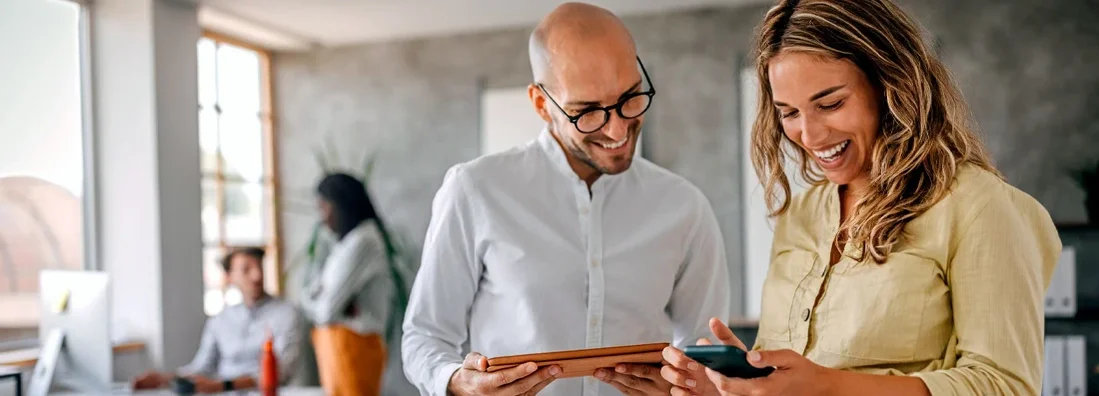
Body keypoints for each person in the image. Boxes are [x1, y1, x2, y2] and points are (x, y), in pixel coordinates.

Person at [660, 0, 1062, 395]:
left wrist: (828, 387)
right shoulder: (801, 213)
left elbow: (1003, 384)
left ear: (890, 84)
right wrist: (737, 384)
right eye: (789, 112)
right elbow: (789, 379)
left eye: (831, 103)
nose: (810, 136)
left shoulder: (979, 207)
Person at [401, 3, 731, 396]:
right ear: (542, 104)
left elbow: (707, 352)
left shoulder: (685, 208)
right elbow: (424, 338)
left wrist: (693, 384)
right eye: (588, 112)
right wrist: (457, 383)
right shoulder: (475, 190)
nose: (618, 128)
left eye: (630, 97)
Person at [132, 247, 302, 393]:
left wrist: (222, 386)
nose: (256, 276)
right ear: (229, 277)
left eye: (259, 267)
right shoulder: (220, 320)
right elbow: (201, 369)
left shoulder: (286, 313)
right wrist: (163, 379)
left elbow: (280, 372)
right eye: (246, 269)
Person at [299, 173, 396, 396]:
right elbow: (318, 294)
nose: (322, 217)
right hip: (339, 348)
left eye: (324, 207)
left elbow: (325, 310)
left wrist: (315, 301)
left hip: (355, 348)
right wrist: (329, 302)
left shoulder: (363, 241)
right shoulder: (347, 243)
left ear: (340, 204)